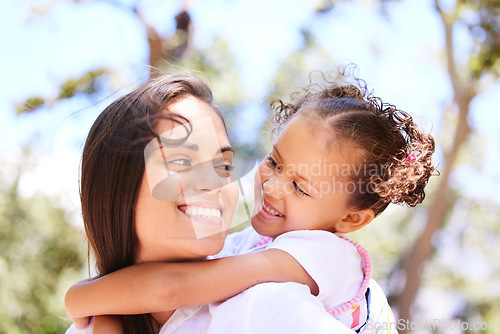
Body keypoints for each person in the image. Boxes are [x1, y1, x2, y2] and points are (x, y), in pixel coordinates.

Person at [66, 70, 436, 333]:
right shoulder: (242, 250)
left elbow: (172, 286)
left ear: (352, 220)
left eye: (223, 165)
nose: (272, 187)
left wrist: (83, 297)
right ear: (117, 184)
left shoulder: (323, 260)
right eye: (273, 162)